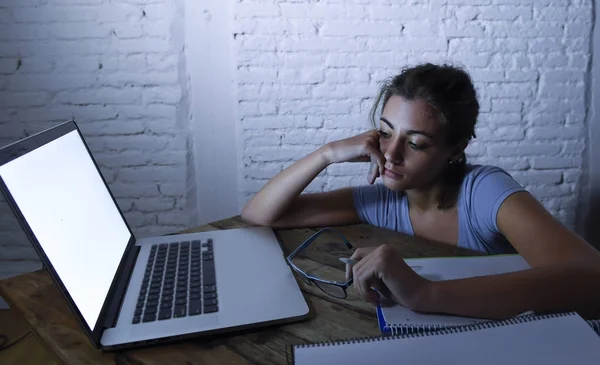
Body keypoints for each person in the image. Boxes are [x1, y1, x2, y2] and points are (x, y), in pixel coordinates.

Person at [241, 63, 600, 320]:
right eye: (385, 132)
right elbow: (259, 215)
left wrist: (425, 293)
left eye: (415, 143)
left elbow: (592, 279)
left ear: (455, 150)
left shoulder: (484, 191)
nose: (391, 154)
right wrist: (327, 153)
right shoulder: (380, 199)